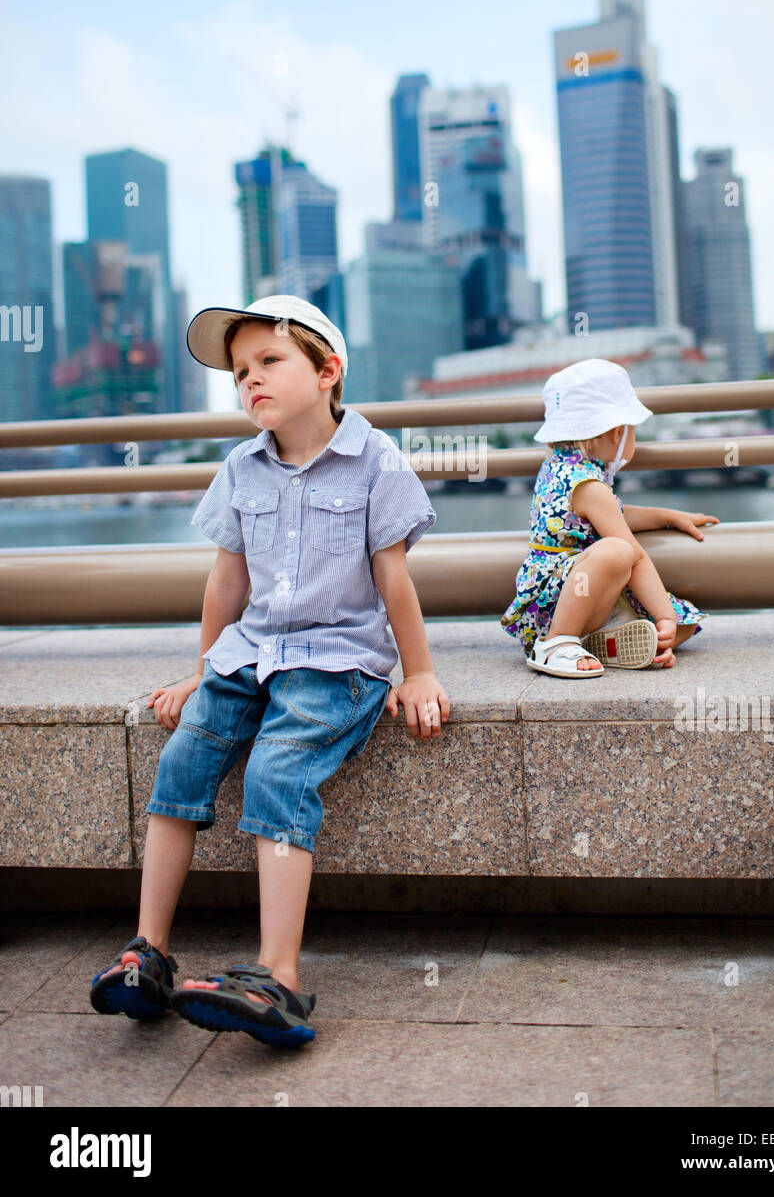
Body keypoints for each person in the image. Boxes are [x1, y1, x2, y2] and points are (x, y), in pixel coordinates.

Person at [90, 295, 449, 1048]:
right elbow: (226, 584)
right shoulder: (241, 467)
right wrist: (201, 671)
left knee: (277, 776)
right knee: (184, 756)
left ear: (328, 372)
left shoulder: (375, 458)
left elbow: (394, 579)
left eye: (270, 362)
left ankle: (277, 978)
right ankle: (146, 952)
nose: (250, 379)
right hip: (248, 655)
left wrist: (417, 673)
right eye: (239, 371)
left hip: (336, 660)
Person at [501, 359, 716, 678]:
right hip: (562, 601)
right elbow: (636, 557)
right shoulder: (588, 484)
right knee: (620, 552)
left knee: (688, 625)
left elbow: (612, 515)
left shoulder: (559, 467)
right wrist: (664, 616)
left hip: (564, 591)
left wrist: (668, 517)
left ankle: (601, 641)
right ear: (617, 433)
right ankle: (557, 644)